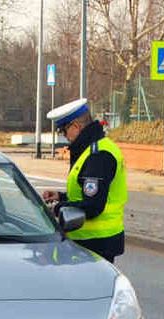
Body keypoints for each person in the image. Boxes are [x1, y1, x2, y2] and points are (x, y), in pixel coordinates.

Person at [42, 98, 128, 263]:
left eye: (63, 131)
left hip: (96, 242)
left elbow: (93, 205)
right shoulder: (92, 149)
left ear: (76, 126)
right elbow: (89, 193)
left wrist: (57, 209)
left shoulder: (98, 156)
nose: (64, 136)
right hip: (92, 242)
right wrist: (62, 197)